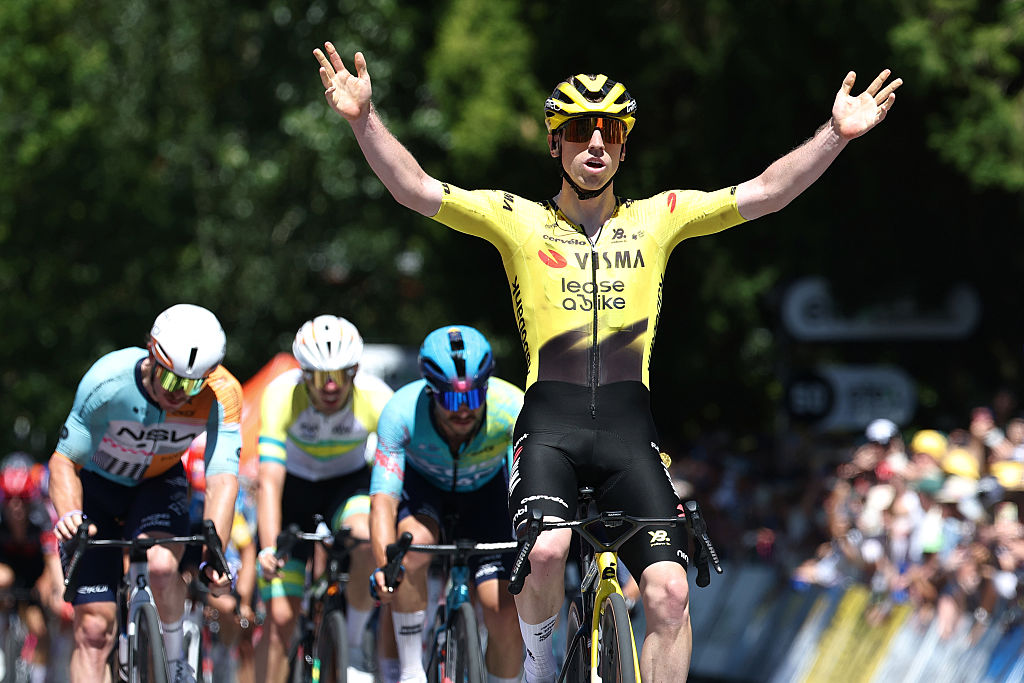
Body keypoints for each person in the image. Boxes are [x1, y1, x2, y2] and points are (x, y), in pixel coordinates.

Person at [313, 43, 902, 682]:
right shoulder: (520, 223)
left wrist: (835, 136)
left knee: (671, 594)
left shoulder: (659, 219)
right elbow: (417, 189)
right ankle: (538, 673)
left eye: (610, 130)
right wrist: (363, 120)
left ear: (623, 147)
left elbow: (765, 192)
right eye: (577, 131)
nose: (594, 142)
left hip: (629, 432)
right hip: (551, 427)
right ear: (554, 146)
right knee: (545, 552)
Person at [49, 303, 241, 683]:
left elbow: (222, 479)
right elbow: (62, 463)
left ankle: (176, 663)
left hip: (158, 482)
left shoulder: (223, 393)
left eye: (193, 386)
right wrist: (70, 514)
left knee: (163, 568)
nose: (180, 395)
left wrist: (214, 554)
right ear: (152, 355)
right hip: (97, 490)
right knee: (93, 630)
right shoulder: (106, 382)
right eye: (172, 381)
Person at [369, 325, 524, 683]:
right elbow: (382, 502)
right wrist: (383, 567)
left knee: (502, 613)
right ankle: (410, 671)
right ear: (430, 391)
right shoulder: (401, 411)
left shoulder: (511, 407)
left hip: (488, 497)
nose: (464, 411)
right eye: (452, 400)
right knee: (409, 550)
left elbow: (528, 485)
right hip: (427, 493)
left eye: (474, 397)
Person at [255, 315, 394, 683]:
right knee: (281, 619)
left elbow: (390, 482)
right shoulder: (281, 393)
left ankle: (354, 644)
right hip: (292, 493)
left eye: (341, 374)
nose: (330, 386)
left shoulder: (378, 396)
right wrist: (269, 548)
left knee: (364, 539)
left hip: (346, 487)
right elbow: (269, 482)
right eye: (318, 376)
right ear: (303, 374)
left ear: (356, 370)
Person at [0, 453, 63, 683]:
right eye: (10, 500)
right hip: (7, 577)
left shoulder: (41, 520)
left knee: (40, 628)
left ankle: (39, 676)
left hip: (34, 580)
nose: (16, 508)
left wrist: (48, 583)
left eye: (22, 500)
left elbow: (52, 559)